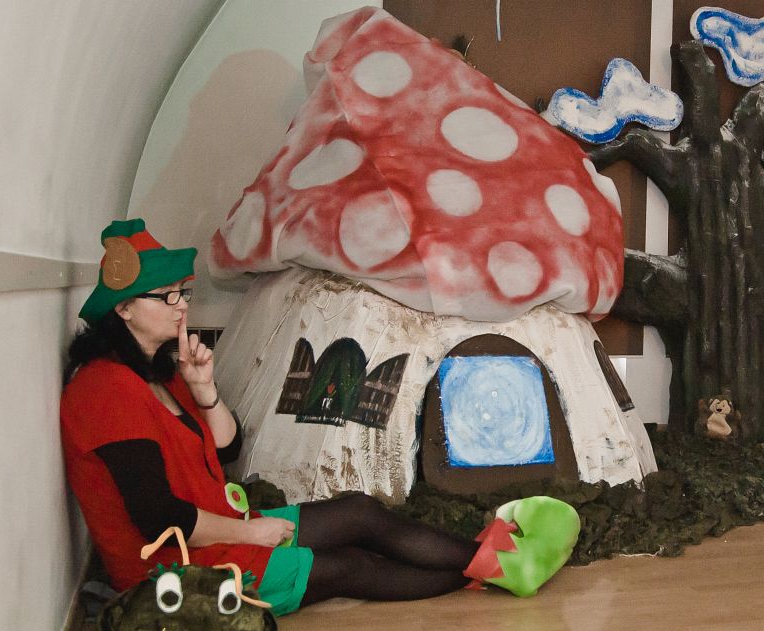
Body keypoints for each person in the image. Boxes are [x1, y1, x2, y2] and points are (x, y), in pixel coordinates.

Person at [61, 219, 480, 616]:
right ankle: (484, 570)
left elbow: (228, 447)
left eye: (182, 293)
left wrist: (204, 392)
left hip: (216, 527)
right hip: (175, 569)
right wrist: (251, 534)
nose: (181, 306)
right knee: (351, 566)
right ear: (124, 309)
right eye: (166, 296)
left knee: (360, 512)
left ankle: (485, 560)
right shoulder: (104, 390)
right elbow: (158, 517)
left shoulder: (160, 374)